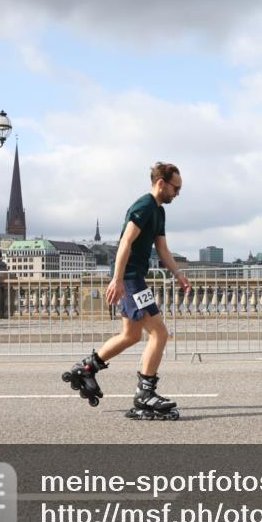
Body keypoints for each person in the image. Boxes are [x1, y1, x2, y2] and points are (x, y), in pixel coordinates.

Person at [64, 162, 191, 420]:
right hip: (132, 280)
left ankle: (87, 368)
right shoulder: (144, 206)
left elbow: (163, 250)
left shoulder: (159, 212)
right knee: (160, 333)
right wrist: (117, 279)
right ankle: (145, 393)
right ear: (161, 183)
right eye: (175, 188)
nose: (177, 193)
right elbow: (126, 241)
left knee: (131, 335)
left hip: (135, 279)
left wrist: (178, 273)